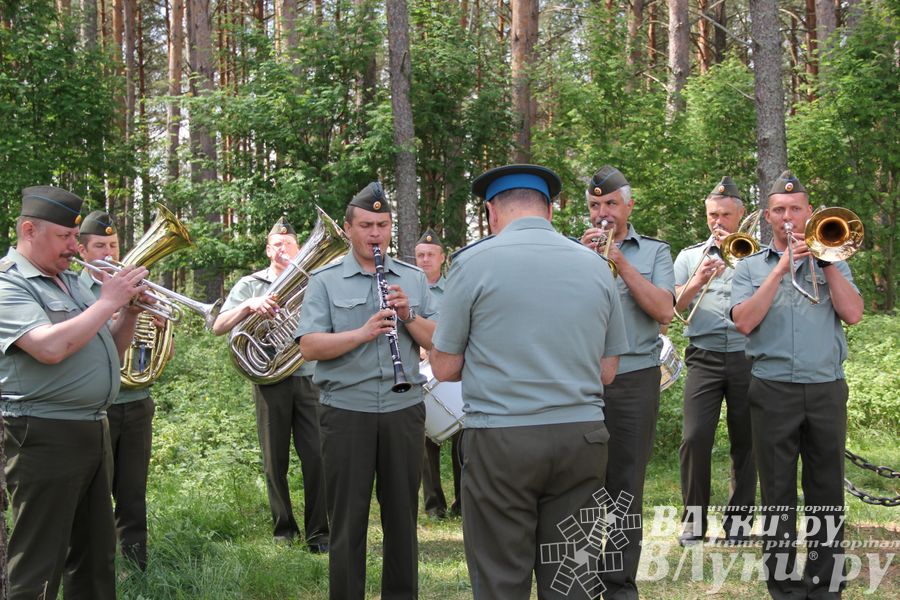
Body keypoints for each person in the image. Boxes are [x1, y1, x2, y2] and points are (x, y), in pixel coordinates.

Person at [430, 164, 629, 598]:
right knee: (571, 578)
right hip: (582, 438)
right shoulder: (597, 267)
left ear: (491, 213)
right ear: (550, 211)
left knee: (502, 576)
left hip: (502, 439)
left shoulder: (471, 263)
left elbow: (444, 368)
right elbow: (608, 371)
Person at [0, 186, 149, 600]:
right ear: (29, 230)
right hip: (42, 433)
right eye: (65, 237)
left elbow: (108, 350)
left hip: (92, 429)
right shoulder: (9, 283)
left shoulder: (71, 282)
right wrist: (109, 301)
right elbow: (49, 347)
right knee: (39, 564)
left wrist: (130, 313)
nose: (73, 246)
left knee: (95, 558)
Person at [296, 182, 437, 599]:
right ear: (348, 228)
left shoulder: (412, 278)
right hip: (346, 412)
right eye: (366, 225)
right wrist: (361, 333)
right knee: (347, 520)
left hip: (403, 409)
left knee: (401, 518)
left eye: (382, 225)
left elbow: (437, 340)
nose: (375, 234)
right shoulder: (324, 281)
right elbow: (310, 345)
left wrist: (408, 313)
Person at [731, 171, 863, 600]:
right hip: (772, 390)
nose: (788, 216)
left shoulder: (834, 259)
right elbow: (745, 320)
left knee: (826, 490)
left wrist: (825, 265)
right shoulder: (750, 266)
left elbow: (854, 313)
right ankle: (785, 586)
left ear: (810, 213)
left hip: (825, 387)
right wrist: (782, 268)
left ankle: (825, 586)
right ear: (768, 216)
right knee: (777, 493)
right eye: (779, 210)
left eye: (796, 209)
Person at [579, 165, 675, 600]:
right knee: (577, 481)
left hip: (634, 378)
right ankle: (574, 577)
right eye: (596, 205)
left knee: (624, 485)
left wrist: (619, 259)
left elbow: (663, 311)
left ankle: (617, 584)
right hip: (580, 379)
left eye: (611, 204)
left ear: (628, 206)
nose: (603, 213)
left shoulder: (654, 252)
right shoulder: (572, 250)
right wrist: (579, 261)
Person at [212, 217, 329, 552]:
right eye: (276, 244)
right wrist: (250, 306)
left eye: (289, 243)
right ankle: (284, 531)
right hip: (269, 380)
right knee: (273, 460)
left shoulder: (313, 282)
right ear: (267, 249)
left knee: (317, 457)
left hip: (308, 376)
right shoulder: (251, 284)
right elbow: (219, 325)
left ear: (299, 247)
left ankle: (319, 533)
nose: (282, 249)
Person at [673, 177, 756, 546]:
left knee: (747, 441)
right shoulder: (689, 256)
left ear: (739, 215)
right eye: (712, 214)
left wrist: (736, 264)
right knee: (694, 438)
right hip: (703, 357)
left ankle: (739, 524)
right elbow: (672, 307)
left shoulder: (755, 253)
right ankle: (693, 522)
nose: (718, 221)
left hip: (747, 354)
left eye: (725, 214)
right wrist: (698, 278)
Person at [78, 210, 161, 569]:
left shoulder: (137, 286)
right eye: (99, 246)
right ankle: (96, 565)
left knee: (133, 493)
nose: (109, 253)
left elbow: (159, 356)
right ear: (82, 251)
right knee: (92, 495)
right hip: (98, 405)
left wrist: (157, 325)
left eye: (113, 245)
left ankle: (136, 566)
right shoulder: (75, 287)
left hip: (137, 402)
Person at [415, 228, 462, 519]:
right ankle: (434, 505)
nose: (424, 259)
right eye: (420, 255)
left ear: (442, 258)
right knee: (425, 440)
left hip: (453, 369)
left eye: (430, 254)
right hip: (420, 369)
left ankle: (463, 502)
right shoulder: (408, 290)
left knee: (463, 438)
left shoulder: (455, 290)